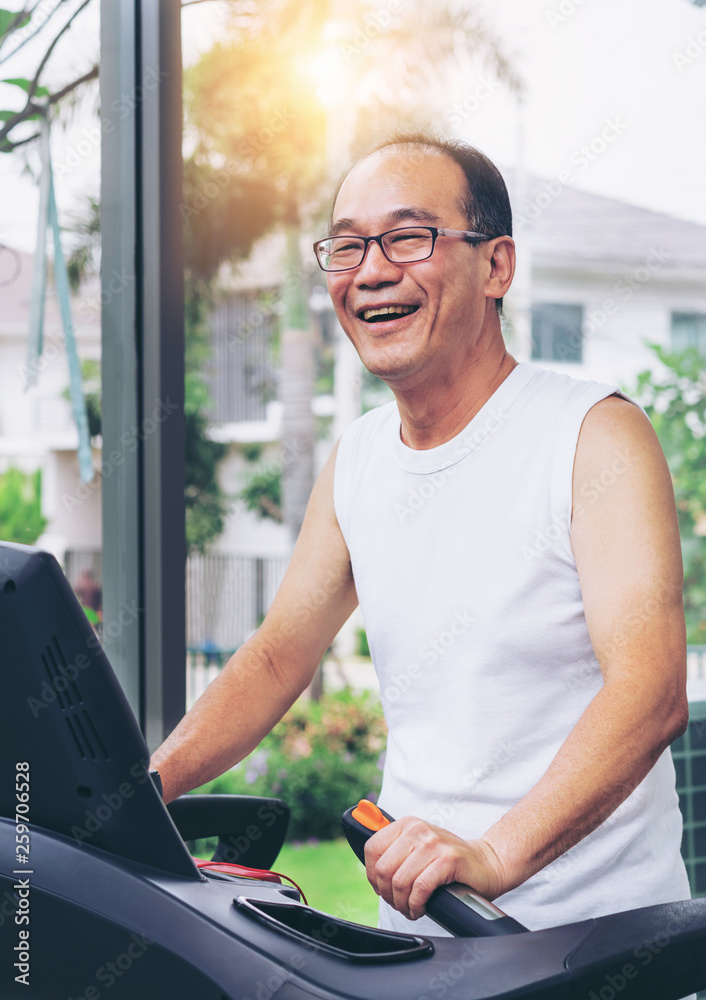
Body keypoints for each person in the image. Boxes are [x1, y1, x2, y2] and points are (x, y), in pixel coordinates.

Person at [151, 131, 691, 941]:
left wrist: (493, 856)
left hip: (594, 945)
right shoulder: (360, 458)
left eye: (408, 237)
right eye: (347, 246)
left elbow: (649, 695)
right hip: (423, 939)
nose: (370, 271)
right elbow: (276, 658)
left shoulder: (594, 436)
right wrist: (135, 797)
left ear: (496, 266)